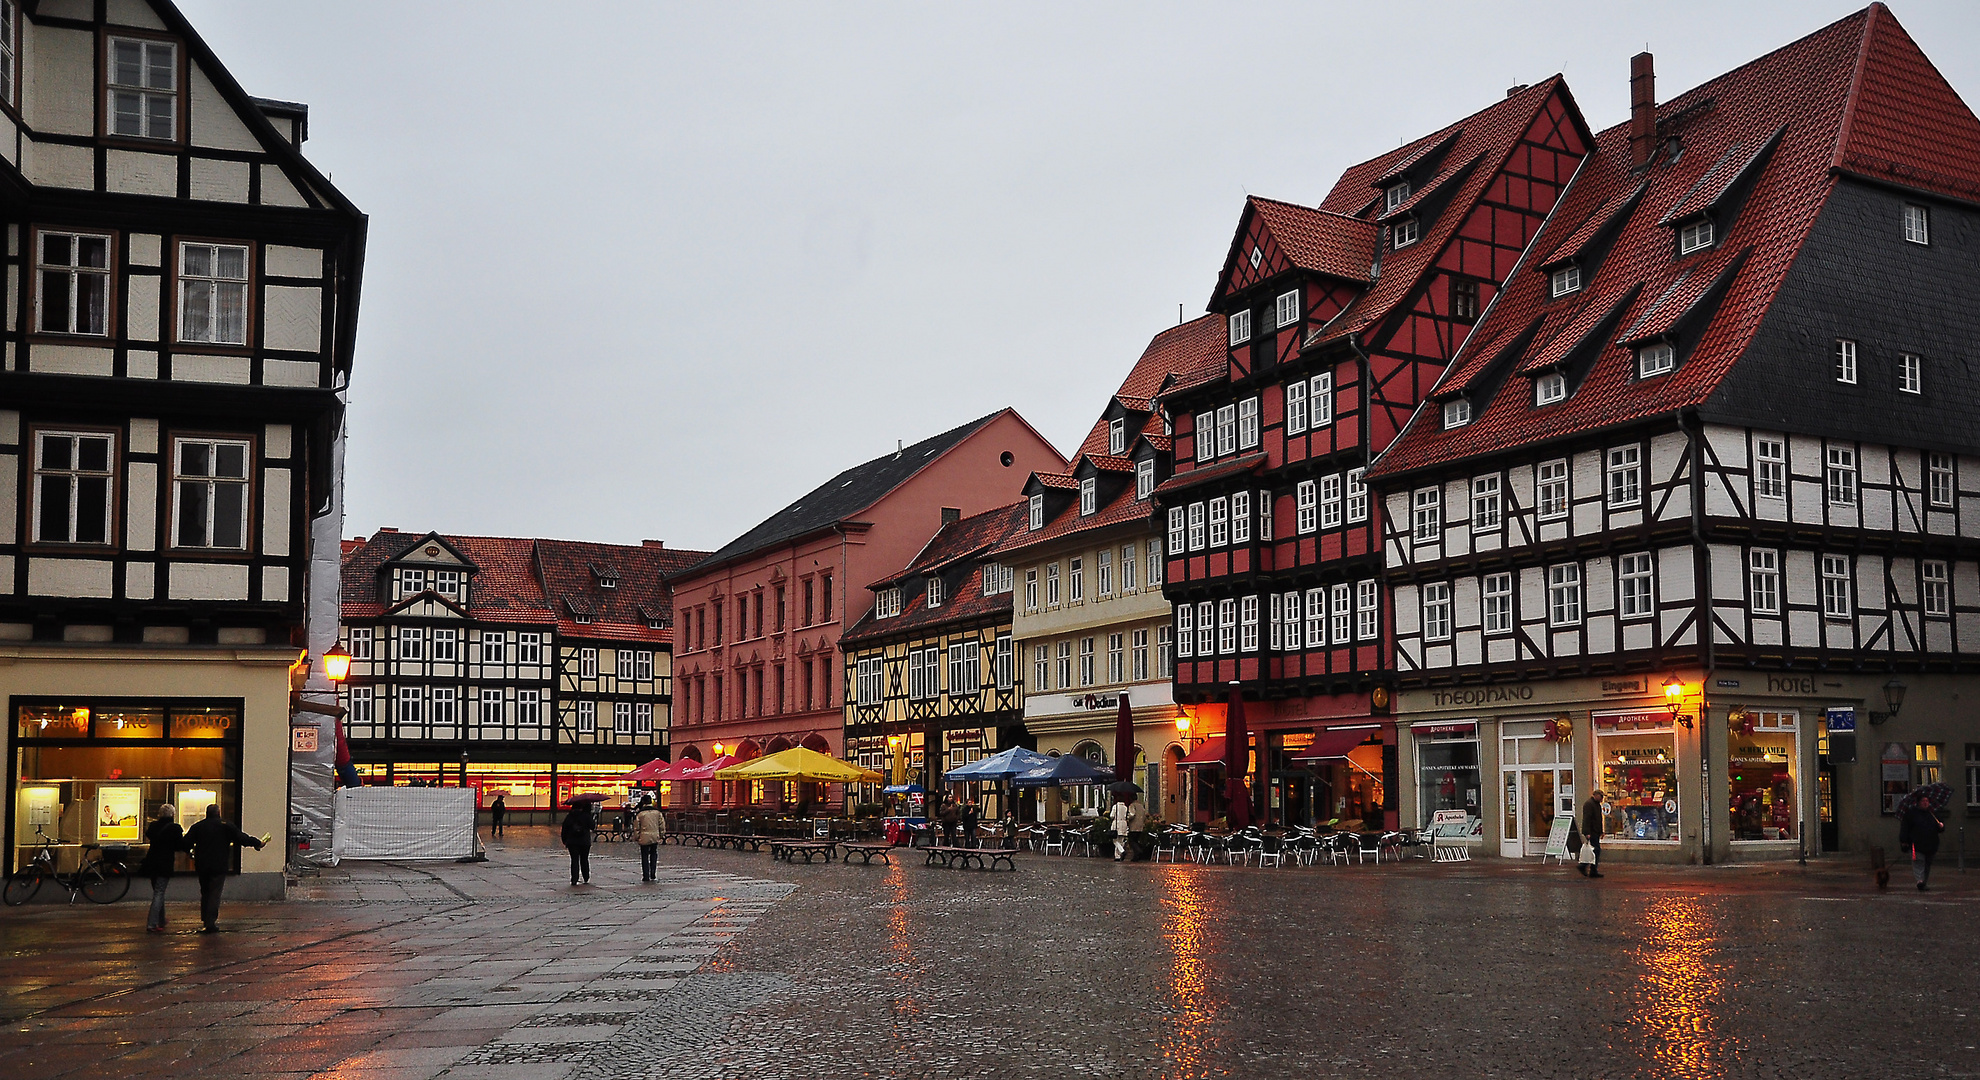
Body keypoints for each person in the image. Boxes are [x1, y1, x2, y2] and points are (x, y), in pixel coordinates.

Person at [183, 804, 265, 933]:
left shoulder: (198, 826)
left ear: (206, 813)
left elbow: (185, 842)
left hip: (202, 864)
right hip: (219, 864)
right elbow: (241, 838)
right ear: (218, 812)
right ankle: (210, 922)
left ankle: (205, 919)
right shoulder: (225, 825)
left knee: (205, 892)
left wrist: (190, 853)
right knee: (214, 893)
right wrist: (257, 842)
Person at [139, 804, 184, 933]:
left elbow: (149, 836)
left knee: (158, 891)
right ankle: (152, 923)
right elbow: (178, 845)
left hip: (151, 862)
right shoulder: (175, 828)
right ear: (173, 814)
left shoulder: (153, 826)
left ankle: (161, 919)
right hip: (165, 863)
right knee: (159, 893)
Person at [1899, 795, 1945, 891]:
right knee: (1919, 862)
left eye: (1927, 801)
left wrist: (1941, 826)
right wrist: (1904, 841)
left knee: (1927, 864)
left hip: (1931, 844)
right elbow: (1905, 828)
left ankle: (1924, 881)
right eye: (1923, 801)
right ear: (1919, 802)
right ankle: (1920, 881)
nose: (1925, 803)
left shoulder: (1932, 813)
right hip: (1916, 844)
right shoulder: (1911, 814)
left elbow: (1939, 828)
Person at [561, 803, 593, 885]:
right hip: (584, 841)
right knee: (584, 859)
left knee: (574, 860)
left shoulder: (570, 816)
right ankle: (586, 877)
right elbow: (592, 826)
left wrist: (564, 840)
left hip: (572, 842)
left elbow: (564, 829)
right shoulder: (586, 815)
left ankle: (574, 878)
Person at [634, 798, 666, 882]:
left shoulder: (640, 814)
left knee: (644, 856)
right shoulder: (657, 813)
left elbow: (637, 827)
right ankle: (653, 873)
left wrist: (637, 837)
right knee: (653, 854)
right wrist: (661, 835)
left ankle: (646, 875)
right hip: (655, 836)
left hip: (644, 837)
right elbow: (662, 825)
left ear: (643, 802)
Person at [1579, 789, 1605, 879]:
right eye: (1601, 796)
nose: (1602, 799)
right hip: (1592, 832)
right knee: (1595, 850)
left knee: (1595, 851)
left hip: (1595, 831)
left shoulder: (1596, 805)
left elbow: (1599, 819)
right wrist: (1587, 832)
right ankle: (1585, 867)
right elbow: (1587, 819)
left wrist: (1601, 831)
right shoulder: (1589, 804)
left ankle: (1591, 869)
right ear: (1596, 795)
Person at [1126, 795, 1151, 861]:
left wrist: (1127, 818)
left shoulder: (1132, 805)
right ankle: (1136, 856)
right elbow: (1144, 815)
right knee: (1136, 840)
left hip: (1134, 826)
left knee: (1132, 840)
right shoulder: (1141, 806)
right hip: (1140, 826)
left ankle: (1138, 851)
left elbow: (1132, 814)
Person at [1111, 794, 1133, 861]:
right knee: (1121, 841)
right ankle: (1117, 856)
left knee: (1115, 840)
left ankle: (1122, 851)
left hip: (1116, 824)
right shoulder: (1125, 807)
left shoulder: (1115, 807)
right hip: (1124, 824)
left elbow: (1112, 815)